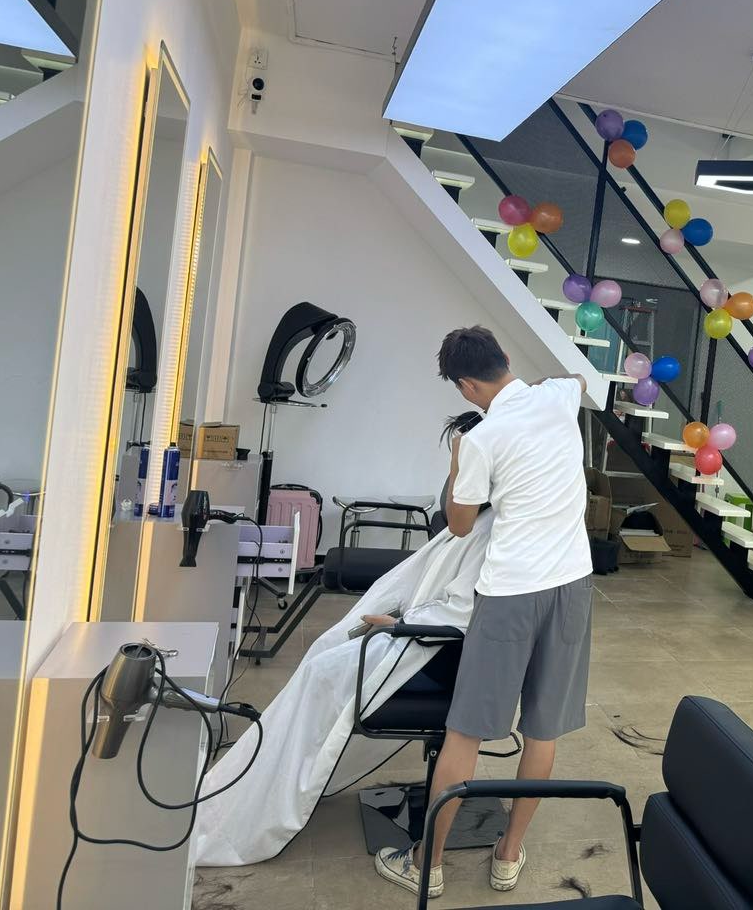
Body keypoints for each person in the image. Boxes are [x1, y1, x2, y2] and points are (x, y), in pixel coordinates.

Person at [194, 413, 493, 867]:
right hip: (421, 638)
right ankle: (260, 778)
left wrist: (398, 622)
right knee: (321, 656)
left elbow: (461, 611)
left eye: (458, 468)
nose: (450, 482)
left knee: (320, 676)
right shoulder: (474, 522)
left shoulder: (490, 531)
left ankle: (266, 797)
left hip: (434, 654)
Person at [376, 326, 592, 901]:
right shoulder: (557, 397)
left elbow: (460, 523)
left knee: (465, 732)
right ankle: (508, 856)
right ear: (505, 359)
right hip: (572, 584)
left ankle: (427, 864)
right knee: (542, 730)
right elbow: (576, 378)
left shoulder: (481, 439)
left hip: (510, 593)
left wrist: (456, 462)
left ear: (467, 386)